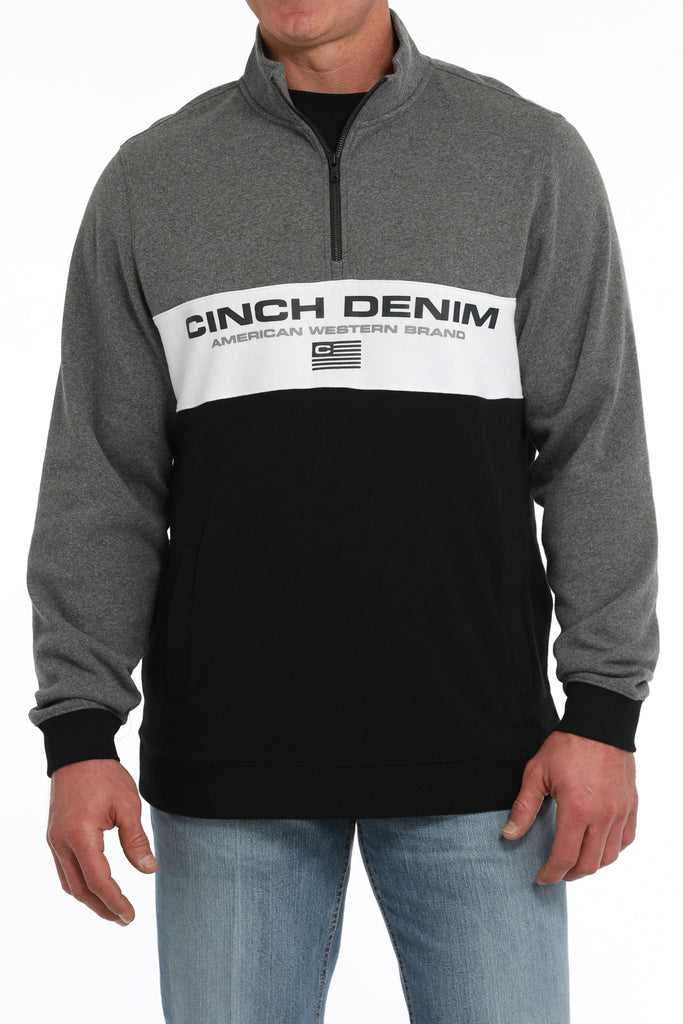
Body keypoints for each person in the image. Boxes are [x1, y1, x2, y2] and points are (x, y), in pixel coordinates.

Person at [27, 2, 659, 1021]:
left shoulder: (527, 158)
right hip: (228, 767)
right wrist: (79, 729)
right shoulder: (153, 180)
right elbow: (101, 475)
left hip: (486, 768)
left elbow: (596, 446)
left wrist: (602, 712)